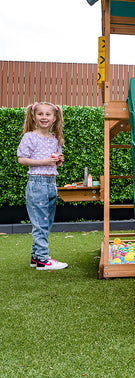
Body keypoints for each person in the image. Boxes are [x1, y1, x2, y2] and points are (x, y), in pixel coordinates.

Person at [17, 102, 68, 270]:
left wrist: (57, 161)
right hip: (37, 183)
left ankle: (36, 256)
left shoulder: (55, 139)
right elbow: (22, 159)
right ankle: (43, 260)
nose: (44, 117)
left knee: (46, 222)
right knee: (40, 222)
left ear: (54, 118)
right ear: (33, 117)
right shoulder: (30, 136)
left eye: (48, 114)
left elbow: (54, 163)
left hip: (51, 183)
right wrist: (45, 161)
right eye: (40, 114)